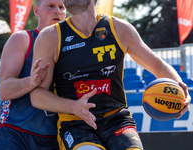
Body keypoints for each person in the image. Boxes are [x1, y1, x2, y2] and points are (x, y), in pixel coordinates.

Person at [30, 0, 191, 150]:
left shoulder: (119, 29)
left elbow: (157, 65)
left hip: (117, 120)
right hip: (74, 123)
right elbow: (37, 95)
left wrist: (179, 86)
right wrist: (73, 106)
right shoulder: (50, 37)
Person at [0, 0, 66, 149]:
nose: (57, 11)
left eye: (62, 7)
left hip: (52, 138)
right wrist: (31, 82)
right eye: (51, 6)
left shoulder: (72, 47)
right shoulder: (22, 38)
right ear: (37, 11)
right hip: (14, 134)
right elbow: (4, 90)